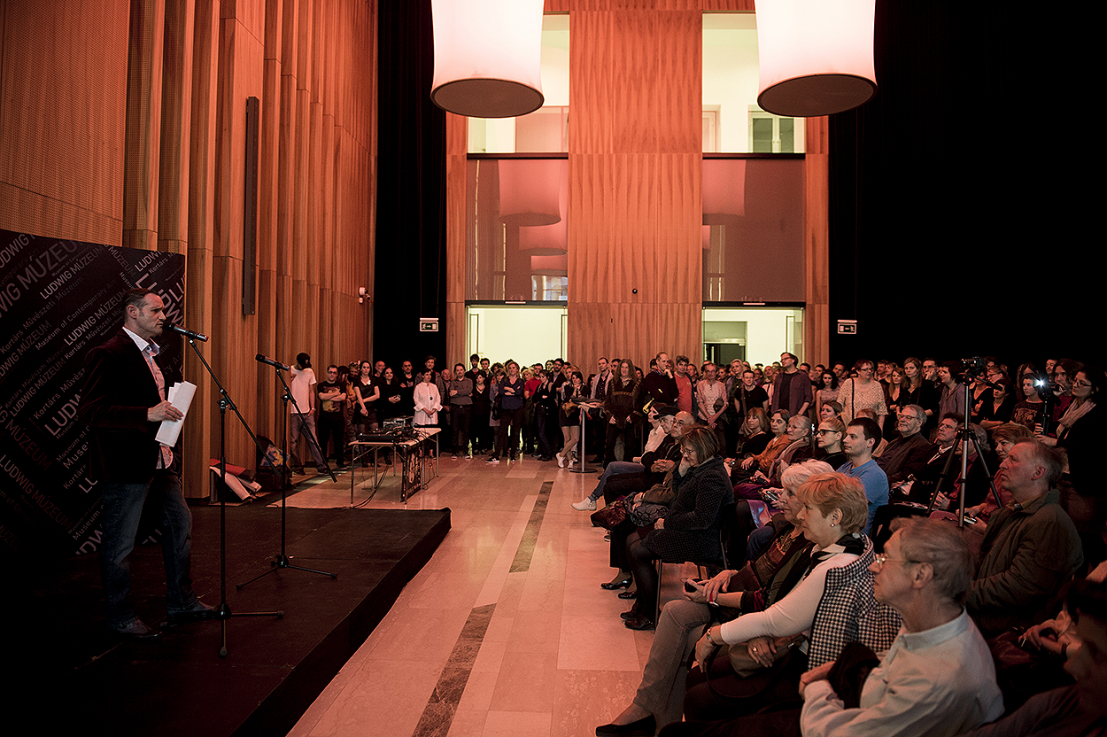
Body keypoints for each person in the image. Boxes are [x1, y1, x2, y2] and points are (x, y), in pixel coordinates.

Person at [596, 461, 829, 736]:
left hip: (748, 613)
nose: (779, 497)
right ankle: (650, 713)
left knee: (680, 636)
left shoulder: (810, 546)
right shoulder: (789, 529)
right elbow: (757, 570)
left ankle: (653, 717)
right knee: (672, 610)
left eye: (790, 493)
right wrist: (728, 574)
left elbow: (771, 602)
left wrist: (714, 598)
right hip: (737, 597)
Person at [680, 473, 899, 726]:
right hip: (794, 647)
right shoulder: (848, 547)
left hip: (811, 669)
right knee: (696, 679)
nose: (801, 515)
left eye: (808, 508)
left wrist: (712, 636)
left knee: (699, 699)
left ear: (836, 517)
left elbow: (775, 621)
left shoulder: (835, 568)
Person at [78, 288, 214, 637]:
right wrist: (147, 413)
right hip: (127, 464)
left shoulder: (153, 355)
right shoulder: (107, 354)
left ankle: (182, 602)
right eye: (155, 310)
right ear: (132, 312)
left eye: (163, 310)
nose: (163, 317)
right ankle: (120, 615)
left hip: (160, 458)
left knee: (180, 526)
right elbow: (91, 411)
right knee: (120, 543)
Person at [797, 519, 1005, 737]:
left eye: (885, 558)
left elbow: (833, 734)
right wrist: (833, 669)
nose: (873, 566)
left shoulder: (935, 680)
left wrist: (817, 688)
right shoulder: (933, 623)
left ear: (920, 575)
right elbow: (895, 665)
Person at [622, 427, 735, 631]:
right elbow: (679, 495)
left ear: (704, 449)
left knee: (638, 550)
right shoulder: (702, 468)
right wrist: (680, 473)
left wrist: (668, 523)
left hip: (702, 540)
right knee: (632, 539)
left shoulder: (713, 477)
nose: (685, 456)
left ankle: (649, 613)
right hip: (689, 531)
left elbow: (702, 519)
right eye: (684, 451)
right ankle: (643, 602)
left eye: (689, 451)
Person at [968, 439, 1084, 637]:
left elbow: (1020, 588)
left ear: (1038, 472)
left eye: (1013, 459)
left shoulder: (1049, 522)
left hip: (1003, 631)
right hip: (984, 617)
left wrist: (959, 591)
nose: (1002, 464)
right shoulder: (1013, 512)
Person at [965, 577, 1107, 736]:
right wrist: (1050, 628)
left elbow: (1021, 583)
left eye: (1096, 652)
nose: (1071, 665)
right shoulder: (1062, 703)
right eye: (1083, 645)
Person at [837, 417, 889, 534]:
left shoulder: (874, 474)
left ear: (870, 442)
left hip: (852, 536)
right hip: (837, 529)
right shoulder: (846, 466)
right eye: (846, 435)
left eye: (853, 437)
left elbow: (847, 506)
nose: (845, 440)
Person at [289, 352, 328, 474]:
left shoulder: (309, 372)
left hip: (307, 412)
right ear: (297, 362)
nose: (303, 367)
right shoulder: (290, 370)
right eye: (302, 365)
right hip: (293, 412)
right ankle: (297, 466)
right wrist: (289, 380)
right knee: (293, 442)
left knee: (313, 440)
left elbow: (311, 390)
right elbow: (285, 389)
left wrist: (312, 407)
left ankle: (321, 465)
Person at [837, 359, 887, 429]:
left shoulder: (877, 386)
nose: (869, 371)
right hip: (849, 426)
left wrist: (880, 429)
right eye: (865, 369)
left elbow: (881, 411)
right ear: (858, 371)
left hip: (869, 428)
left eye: (871, 369)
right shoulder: (849, 383)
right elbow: (839, 405)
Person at [317, 364, 347, 470]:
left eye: (334, 373)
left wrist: (328, 397)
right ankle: (323, 463)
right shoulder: (321, 385)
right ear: (327, 373)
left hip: (338, 418)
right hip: (324, 418)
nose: (332, 374)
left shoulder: (341, 385)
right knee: (323, 441)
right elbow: (321, 396)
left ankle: (340, 462)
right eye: (330, 372)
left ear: (337, 374)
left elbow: (342, 397)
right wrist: (335, 394)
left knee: (339, 441)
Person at [771, 352, 813, 418]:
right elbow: (775, 395)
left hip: (796, 413)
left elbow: (808, 396)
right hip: (779, 413)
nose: (783, 361)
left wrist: (800, 413)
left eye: (786, 359)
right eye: (782, 360)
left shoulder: (802, 376)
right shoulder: (779, 376)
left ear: (793, 360)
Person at [448, 363, 473, 459]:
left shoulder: (469, 381)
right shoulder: (452, 382)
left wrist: (457, 392)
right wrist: (464, 393)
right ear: (455, 372)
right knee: (454, 430)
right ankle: (454, 451)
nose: (459, 371)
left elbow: (469, 390)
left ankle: (465, 451)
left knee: (466, 430)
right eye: (457, 370)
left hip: (467, 408)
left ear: (464, 371)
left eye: (461, 370)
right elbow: (451, 393)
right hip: (455, 408)